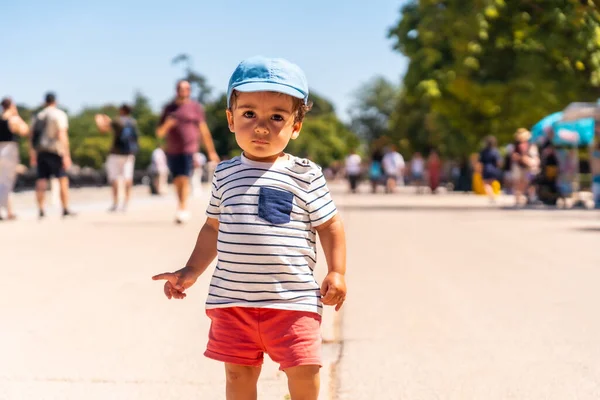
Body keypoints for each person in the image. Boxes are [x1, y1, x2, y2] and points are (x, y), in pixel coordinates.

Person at [152, 56, 347, 400]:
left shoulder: (305, 174)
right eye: (248, 114)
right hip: (233, 301)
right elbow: (213, 228)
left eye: (276, 117)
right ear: (230, 119)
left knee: (304, 372)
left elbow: (330, 225)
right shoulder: (225, 174)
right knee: (239, 377)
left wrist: (337, 271)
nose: (261, 127)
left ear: (296, 125)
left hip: (293, 301)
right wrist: (191, 270)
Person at [156, 80, 220, 224]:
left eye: (186, 88)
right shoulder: (169, 108)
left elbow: (204, 130)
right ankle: (181, 205)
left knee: (184, 177)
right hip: (172, 150)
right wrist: (168, 124)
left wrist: (211, 151)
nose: (183, 91)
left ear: (189, 91)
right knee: (177, 179)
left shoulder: (195, 108)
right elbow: (159, 132)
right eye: (180, 88)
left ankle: (182, 207)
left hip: (189, 149)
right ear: (176, 90)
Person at [29, 92, 75, 219]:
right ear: (55, 101)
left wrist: (32, 154)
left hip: (41, 151)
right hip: (55, 151)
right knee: (62, 179)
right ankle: (65, 208)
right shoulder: (59, 114)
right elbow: (62, 135)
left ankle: (41, 209)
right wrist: (66, 154)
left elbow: (31, 136)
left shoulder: (38, 115)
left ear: (44, 102)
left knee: (41, 180)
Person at [95, 104, 139, 212]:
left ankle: (115, 203)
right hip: (129, 154)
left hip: (115, 153)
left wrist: (99, 120)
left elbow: (103, 129)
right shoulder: (133, 122)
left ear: (122, 110)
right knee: (127, 178)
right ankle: (126, 203)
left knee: (114, 179)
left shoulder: (117, 121)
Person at [0, 98, 29, 220]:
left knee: (2, 181)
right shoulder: (12, 119)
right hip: (9, 150)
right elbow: (25, 130)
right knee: (7, 182)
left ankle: (7, 211)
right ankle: (6, 211)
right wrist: (17, 115)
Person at [511, 128, 539, 206]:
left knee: (527, 182)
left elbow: (534, 156)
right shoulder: (516, 146)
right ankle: (518, 197)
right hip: (520, 166)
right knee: (519, 183)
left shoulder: (530, 145)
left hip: (527, 166)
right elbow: (514, 156)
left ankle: (524, 197)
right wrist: (523, 159)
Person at [478, 136, 501, 202]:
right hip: (494, 169)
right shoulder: (496, 151)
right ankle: (492, 195)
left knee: (486, 184)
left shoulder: (483, 151)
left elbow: (480, 162)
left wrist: (479, 170)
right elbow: (498, 162)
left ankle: (491, 196)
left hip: (486, 169)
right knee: (491, 183)